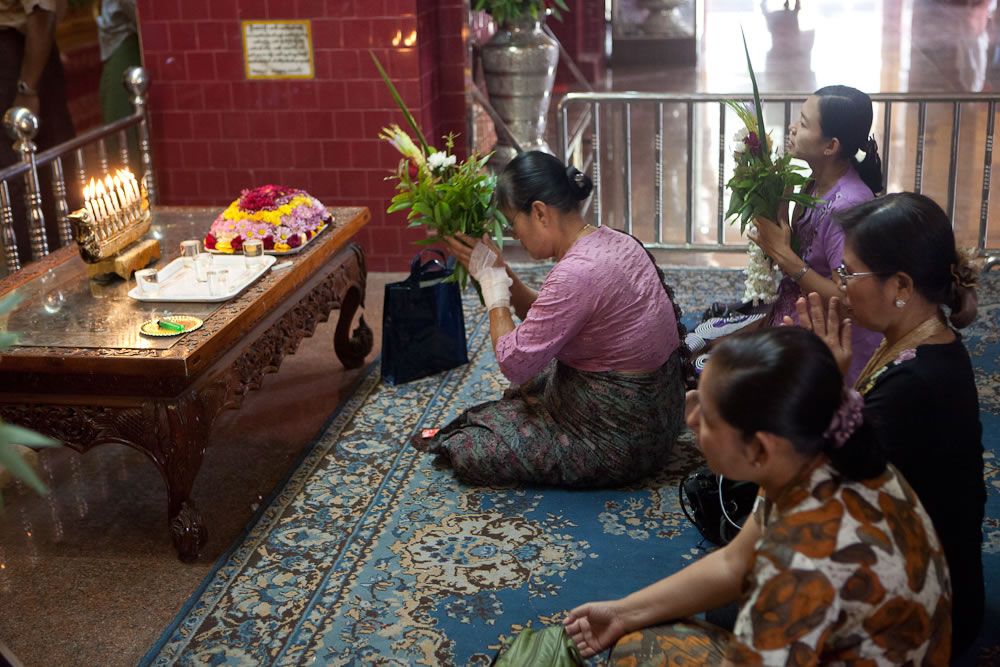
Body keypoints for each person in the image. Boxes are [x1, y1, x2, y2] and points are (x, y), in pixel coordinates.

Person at [564, 327, 952, 665]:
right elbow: (735, 563)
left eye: (709, 416)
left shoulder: (796, 565)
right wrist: (621, 613)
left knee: (641, 652)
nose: (690, 415)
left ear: (759, 450)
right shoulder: (819, 450)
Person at [413, 150, 688, 487]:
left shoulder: (576, 273)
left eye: (514, 226)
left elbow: (514, 362)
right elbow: (548, 321)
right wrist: (501, 273)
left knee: (470, 446)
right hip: (662, 414)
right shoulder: (613, 240)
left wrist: (493, 287)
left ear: (539, 212)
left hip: (619, 441)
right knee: (536, 379)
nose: (516, 238)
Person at [790, 192, 985, 657]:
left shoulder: (917, 384)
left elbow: (820, 488)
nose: (841, 285)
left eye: (848, 273)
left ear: (900, 285)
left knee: (736, 603)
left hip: (925, 613)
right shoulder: (925, 342)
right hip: (925, 572)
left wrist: (826, 381)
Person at [743, 85, 885, 386]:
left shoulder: (847, 203)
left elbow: (850, 301)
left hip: (833, 344)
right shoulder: (815, 181)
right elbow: (803, 245)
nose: (792, 128)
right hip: (799, 315)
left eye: (804, 124)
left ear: (830, 146)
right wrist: (778, 206)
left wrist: (784, 256)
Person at [0, 0, 74, 272]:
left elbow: (42, 12)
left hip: (19, 59)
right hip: (20, 56)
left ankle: (45, 279)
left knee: (27, 175)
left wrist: (27, 87)